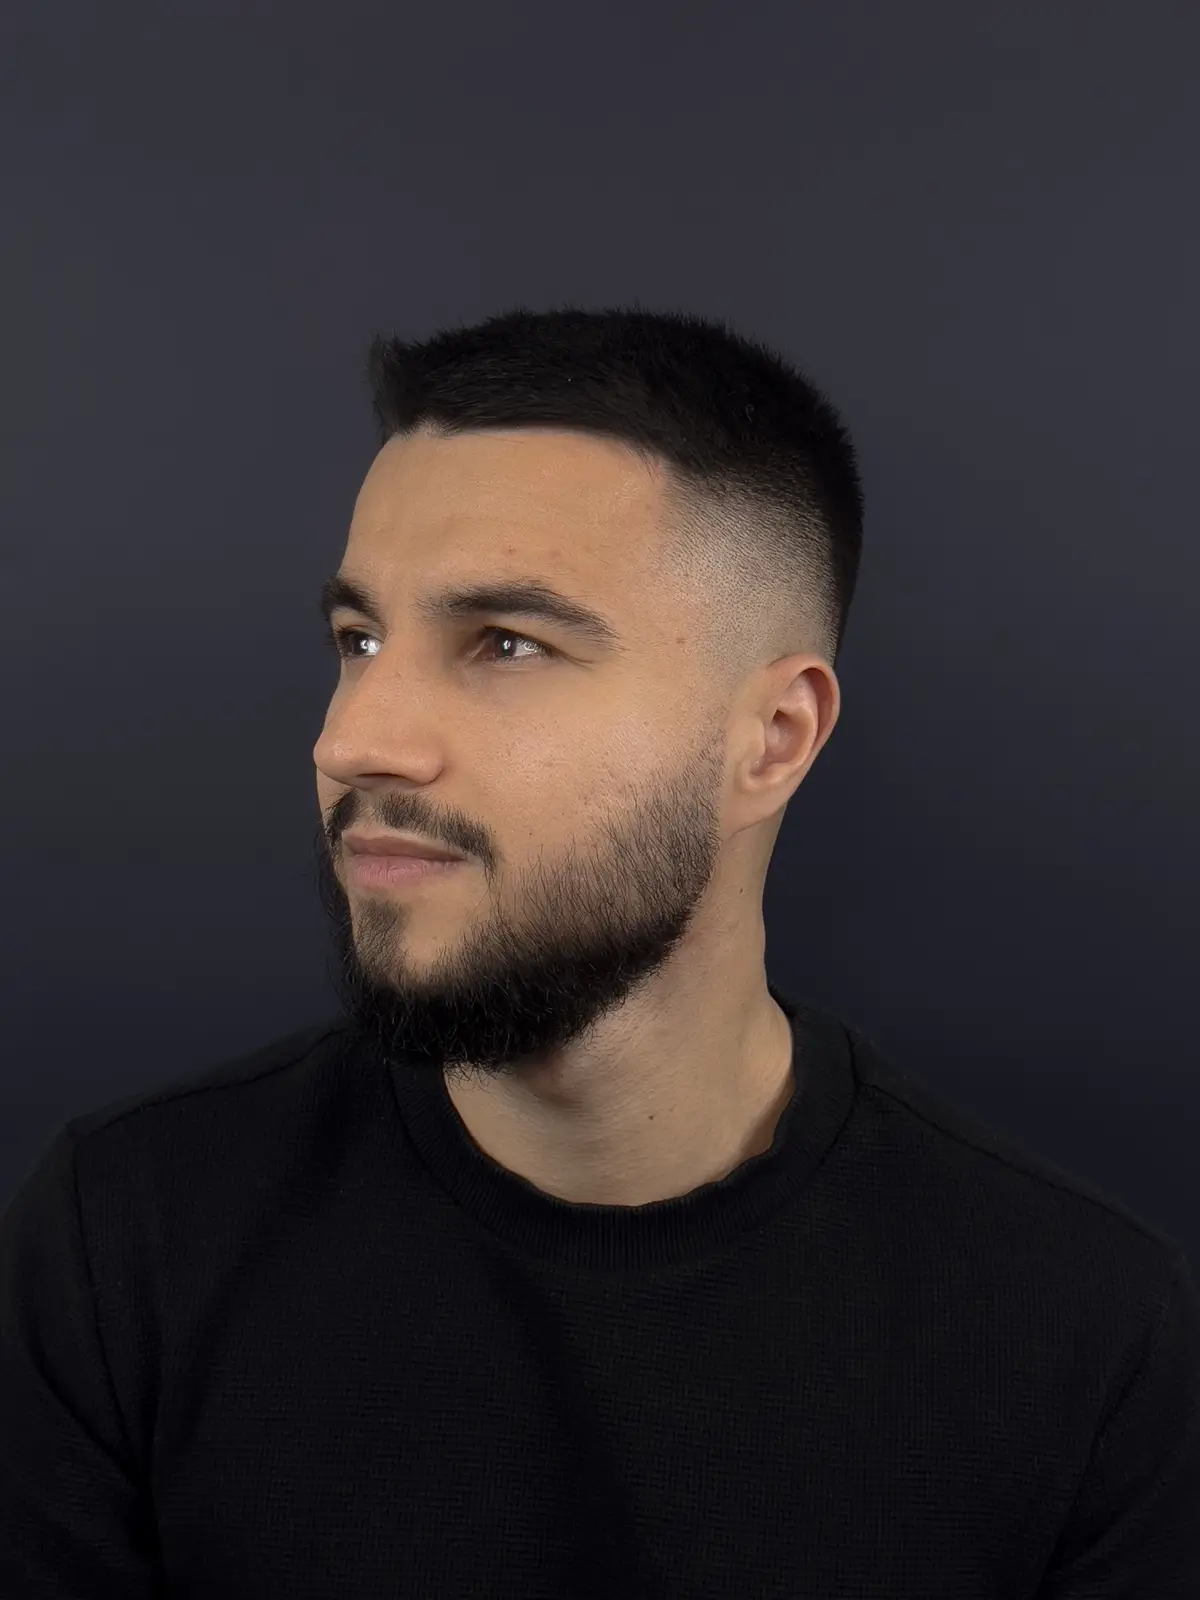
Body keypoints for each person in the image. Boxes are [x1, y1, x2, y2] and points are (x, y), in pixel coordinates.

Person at [2, 304, 1197, 1597]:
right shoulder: (125, 1246)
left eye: (507, 643)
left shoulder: (1084, 1343)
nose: (352, 742)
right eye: (360, 641)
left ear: (773, 741)